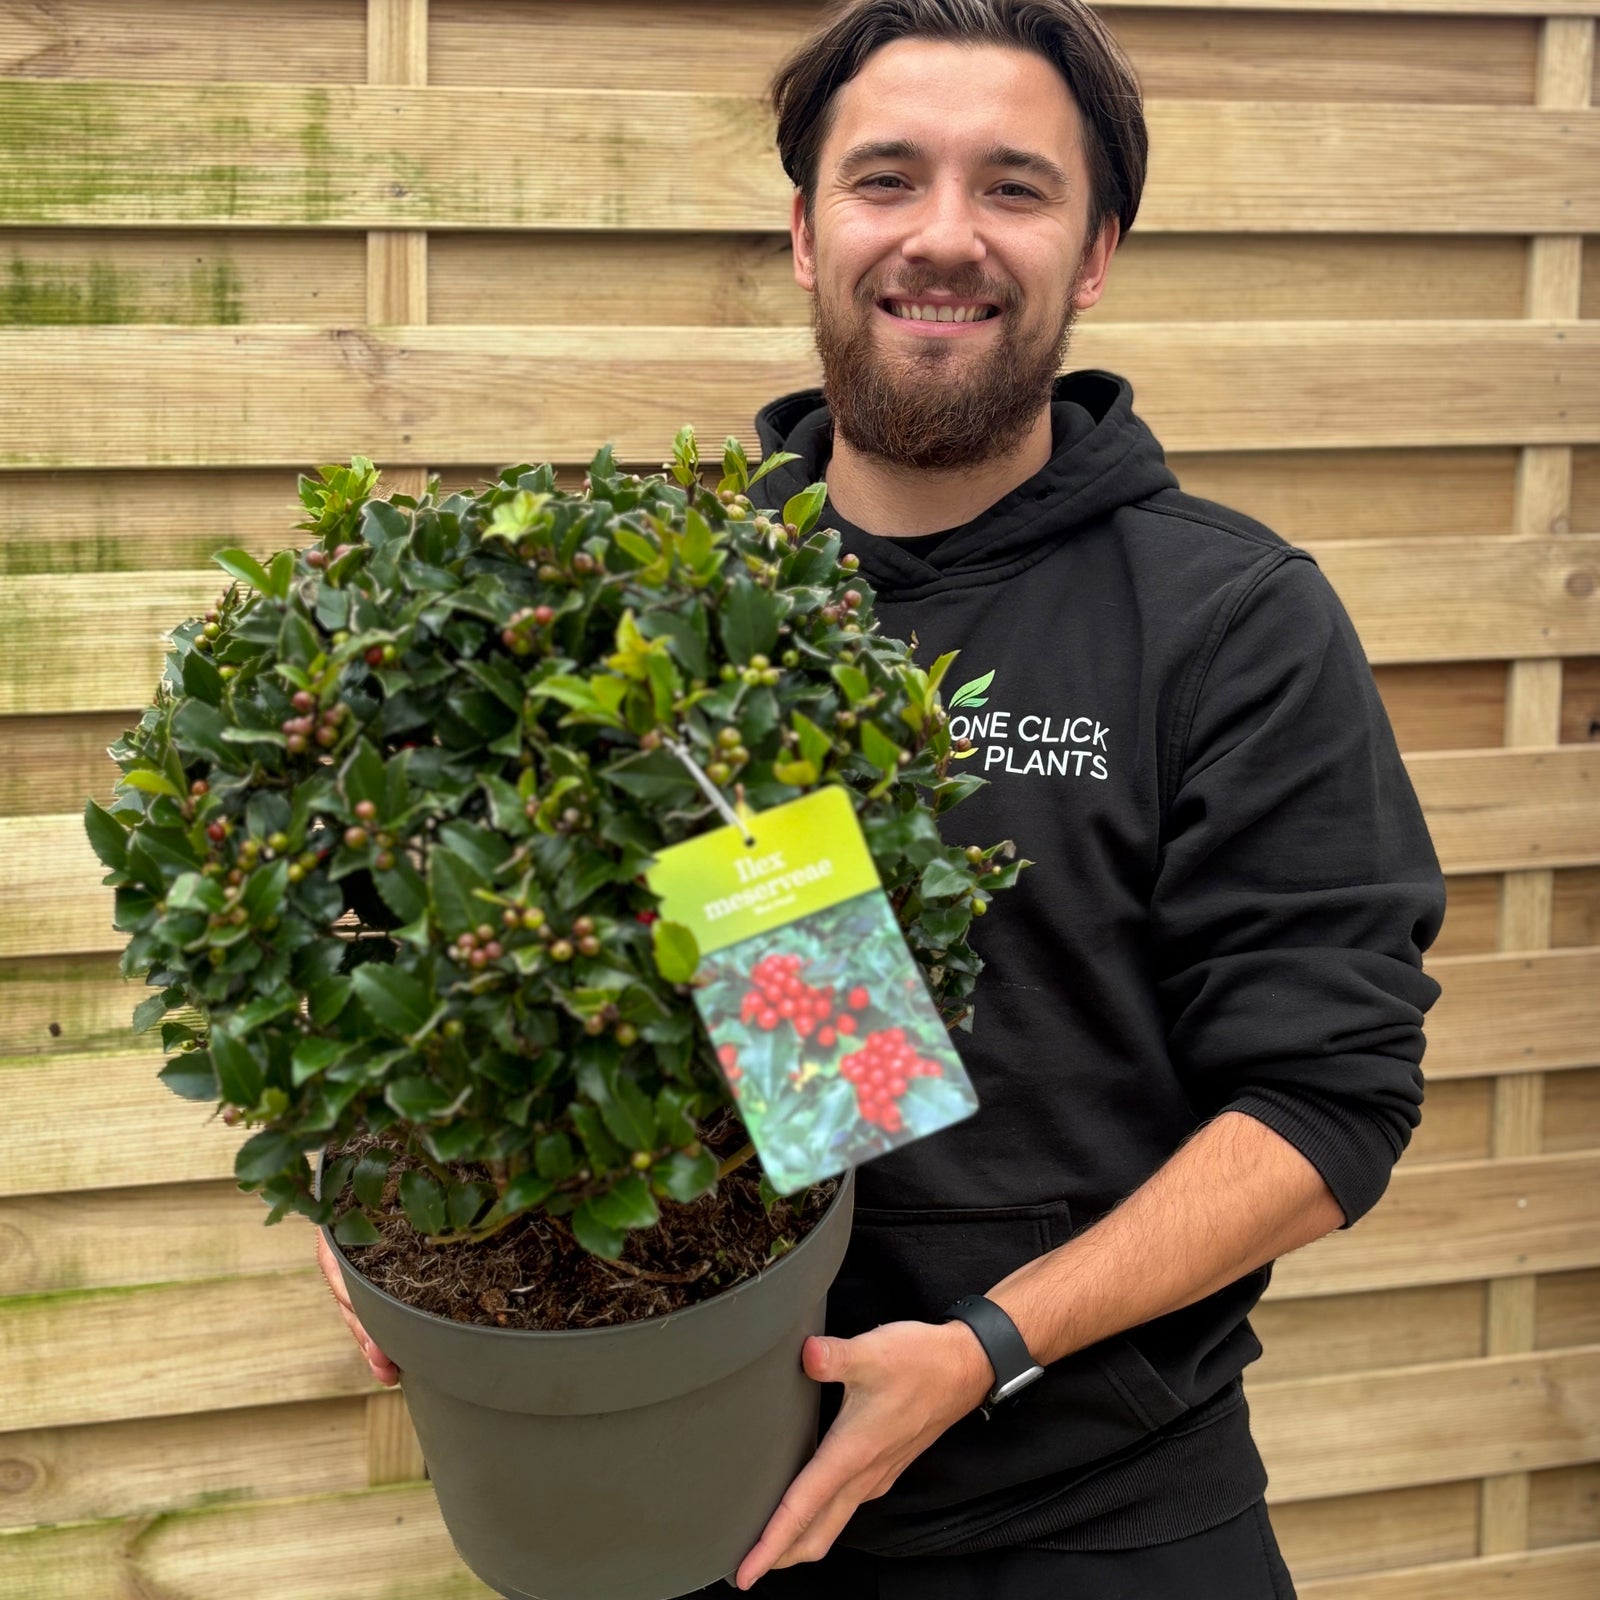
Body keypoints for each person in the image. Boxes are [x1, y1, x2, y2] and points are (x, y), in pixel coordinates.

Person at [320, 3, 1447, 1596]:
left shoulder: (1227, 621)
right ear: (802, 230)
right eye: (886, 178)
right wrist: (387, 1195)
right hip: (688, 1496)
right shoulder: (636, 620)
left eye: (1014, 187)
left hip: (1092, 1521)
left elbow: (1329, 1109)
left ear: (1096, 249)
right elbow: (469, 988)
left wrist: (989, 1347)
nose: (943, 237)